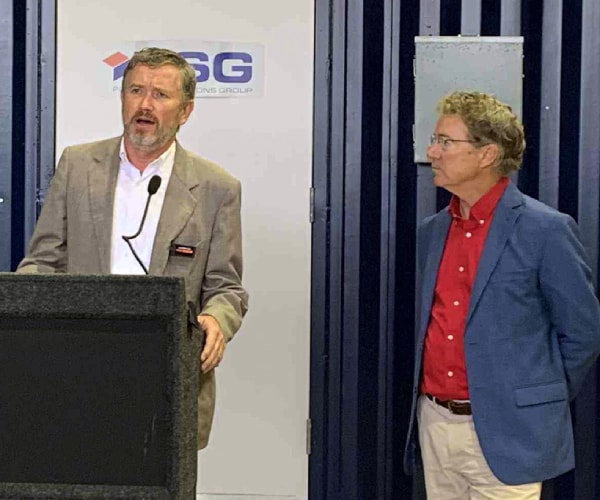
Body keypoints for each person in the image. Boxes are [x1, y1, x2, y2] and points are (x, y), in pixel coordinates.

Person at [17, 47, 248, 449]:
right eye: (136, 90)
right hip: (78, 371)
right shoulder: (77, 166)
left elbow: (226, 288)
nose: (145, 105)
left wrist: (216, 320)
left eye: (161, 95)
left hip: (166, 378)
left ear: (185, 111)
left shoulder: (217, 188)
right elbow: (41, 263)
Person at [403, 91, 600, 498]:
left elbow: (582, 333)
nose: (432, 152)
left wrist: (532, 400)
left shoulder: (546, 231)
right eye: (434, 140)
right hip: (435, 423)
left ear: (487, 154)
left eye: (445, 141)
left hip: (511, 432)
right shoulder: (432, 232)